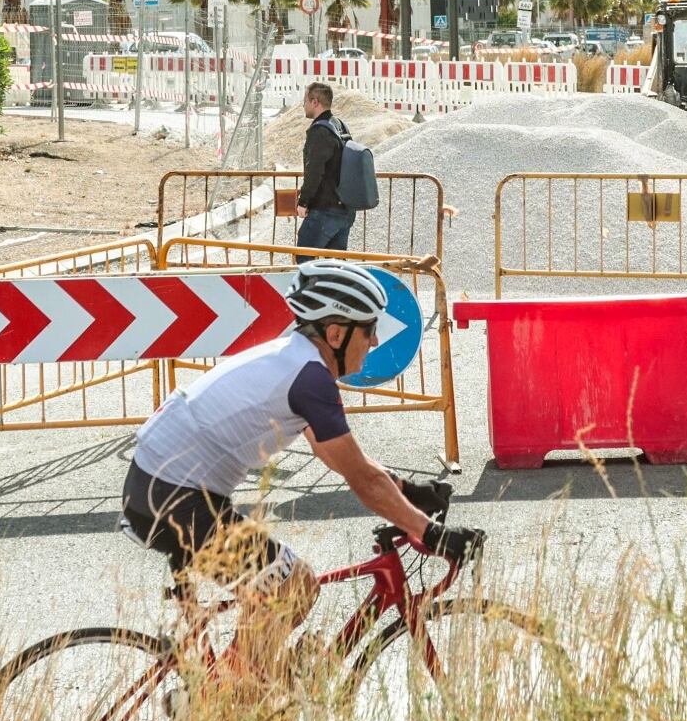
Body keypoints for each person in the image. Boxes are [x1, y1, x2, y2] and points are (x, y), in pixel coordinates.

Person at [123, 262, 473, 676]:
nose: (375, 340)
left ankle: (234, 693)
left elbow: (344, 460)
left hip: (163, 488)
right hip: (175, 497)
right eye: (368, 330)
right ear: (336, 334)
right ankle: (231, 702)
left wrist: (408, 490)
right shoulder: (309, 378)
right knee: (295, 586)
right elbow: (361, 481)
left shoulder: (296, 362)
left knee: (278, 594)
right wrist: (429, 532)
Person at [295, 83, 354, 256]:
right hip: (344, 210)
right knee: (333, 269)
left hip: (325, 210)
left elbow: (315, 171)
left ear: (315, 102)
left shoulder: (319, 131)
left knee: (304, 260)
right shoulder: (340, 126)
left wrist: (303, 202)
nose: (303, 105)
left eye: (305, 100)